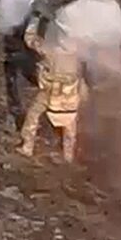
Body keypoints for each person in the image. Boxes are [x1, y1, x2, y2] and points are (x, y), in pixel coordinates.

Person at [16, 13, 89, 163]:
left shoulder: (50, 49)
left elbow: (30, 40)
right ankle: (68, 155)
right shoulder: (79, 51)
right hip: (71, 93)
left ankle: (27, 147)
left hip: (51, 92)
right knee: (70, 124)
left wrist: (35, 19)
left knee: (33, 116)